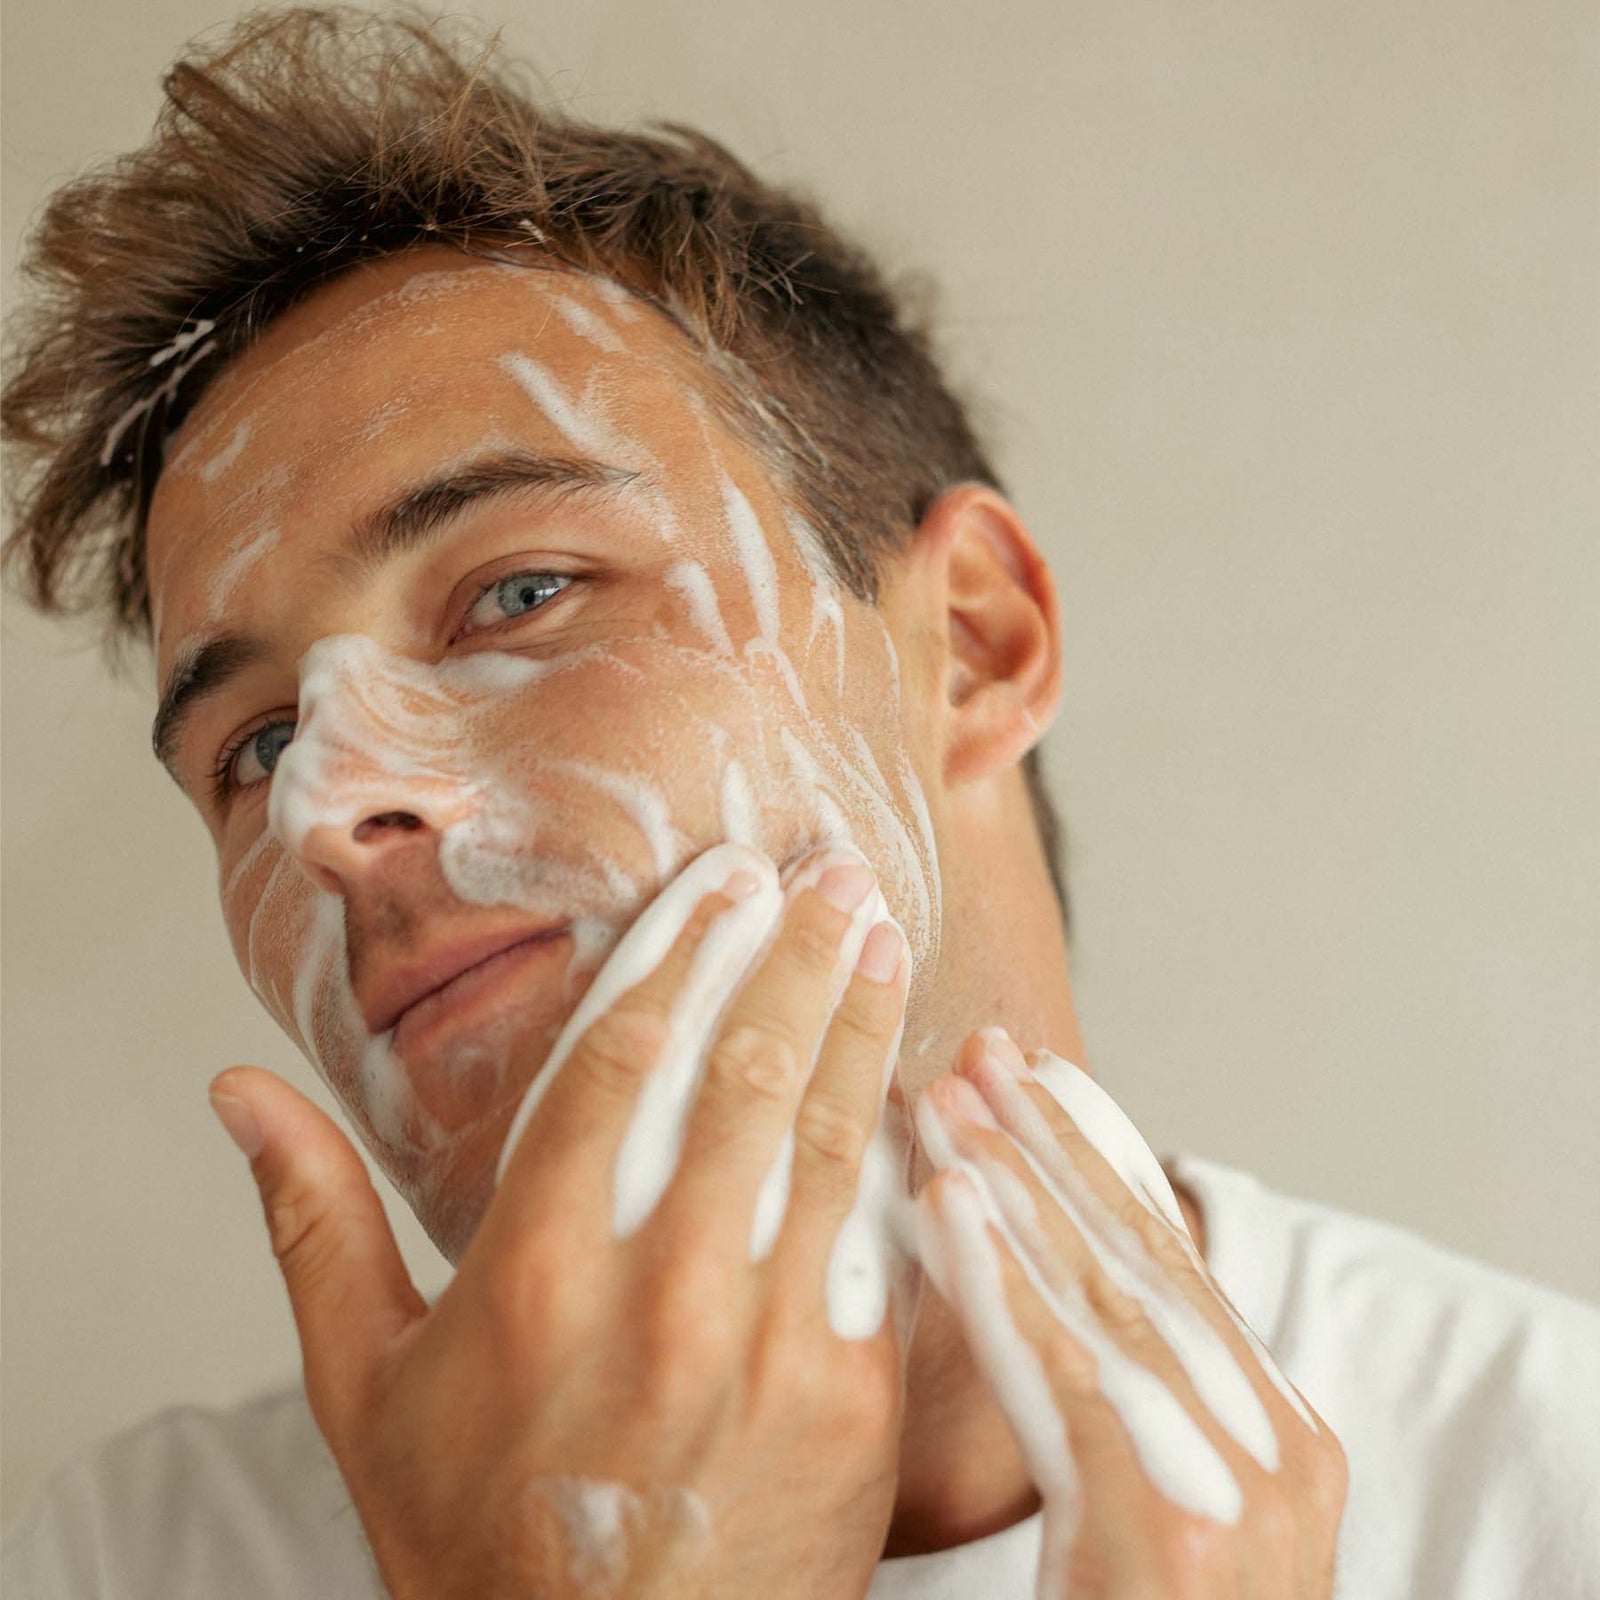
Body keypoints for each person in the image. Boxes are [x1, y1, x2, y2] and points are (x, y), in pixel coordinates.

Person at [2, 9, 1595, 1598]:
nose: (325, 810)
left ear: (971, 642)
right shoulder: (129, 1559)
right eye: (257, 746)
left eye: (522, 592)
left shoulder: (1553, 1490)